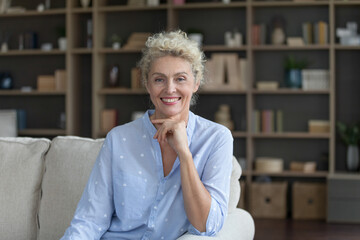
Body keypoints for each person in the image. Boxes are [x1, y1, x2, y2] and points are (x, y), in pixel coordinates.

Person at [61, 30, 233, 240]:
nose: (170, 89)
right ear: (147, 84)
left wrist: (184, 154)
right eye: (159, 79)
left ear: (196, 83)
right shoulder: (118, 139)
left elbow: (207, 225)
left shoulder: (216, 139)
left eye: (180, 78)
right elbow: (90, 219)